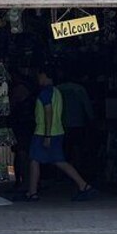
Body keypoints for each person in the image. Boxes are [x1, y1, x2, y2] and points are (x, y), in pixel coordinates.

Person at [26, 68, 96, 202]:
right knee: (59, 161)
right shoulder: (57, 92)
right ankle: (83, 185)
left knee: (35, 160)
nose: (38, 79)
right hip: (58, 131)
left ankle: (32, 192)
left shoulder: (45, 93)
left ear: (44, 75)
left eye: (39, 76)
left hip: (44, 132)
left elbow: (48, 112)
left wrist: (46, 135)